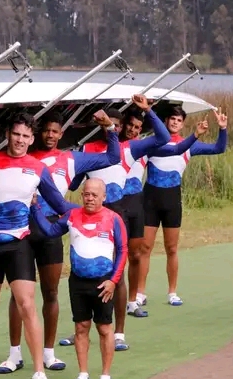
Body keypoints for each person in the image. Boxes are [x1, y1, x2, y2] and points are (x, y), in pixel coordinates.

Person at [0, 112, 79, 379]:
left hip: (19, 244)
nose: (21, 141)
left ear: (32, 139)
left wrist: (90, 212)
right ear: (7, 134)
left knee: (26, 305)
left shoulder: (37, 168)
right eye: (17, 135)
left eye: (26, 136)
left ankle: (39, 373)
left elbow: (59, 203)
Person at [0, 109, 121, 376]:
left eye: (55, 131)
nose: (50, 135)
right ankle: (14, 353)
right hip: (23, 230)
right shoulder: (25, 157)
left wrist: (109, 127)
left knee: (50, 292)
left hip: (53, 230)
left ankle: (48, 353)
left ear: (62, 133)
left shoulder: (71, 158)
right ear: (37, 133)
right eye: (46, 130)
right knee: (19, 296)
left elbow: (113, 156)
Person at [59, 94, 169, 351]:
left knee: (116, 275)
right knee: (85, 272)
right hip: (88, 215)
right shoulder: (86, 150)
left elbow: (163, 138)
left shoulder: (129, 148)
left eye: (118, 125)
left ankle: (118, 333)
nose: (115, 129)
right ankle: (81, 331)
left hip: (116, 214)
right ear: (100, 123)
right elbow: (73, 182)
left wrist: (148, 111)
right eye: (110, 124)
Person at [32, 178, 127, 379]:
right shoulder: (72, 216)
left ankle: (105, 376)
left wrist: (113, 281)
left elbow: (122, 251)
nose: (90, 198)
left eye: (95, 195)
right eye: (86, 194)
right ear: (81, 196)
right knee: (81, 328)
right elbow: (49, 231)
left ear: (104, 197)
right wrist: (35, 208)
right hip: (78, 282)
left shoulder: (114, 219)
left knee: (104, 328)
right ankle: (83, 375)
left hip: (103, 284)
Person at [139, 106, 228, 307]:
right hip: (150, 200)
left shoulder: (189, 145)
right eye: (172, 119)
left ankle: (172, 292)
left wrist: (222, 129)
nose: (175, 123)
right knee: (145, 248)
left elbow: (218, 149)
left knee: (172, 248)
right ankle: (140, 292)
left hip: (172, 201)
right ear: (165, 121)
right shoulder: (151, 144)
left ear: (183, 124)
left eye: (179, 120)